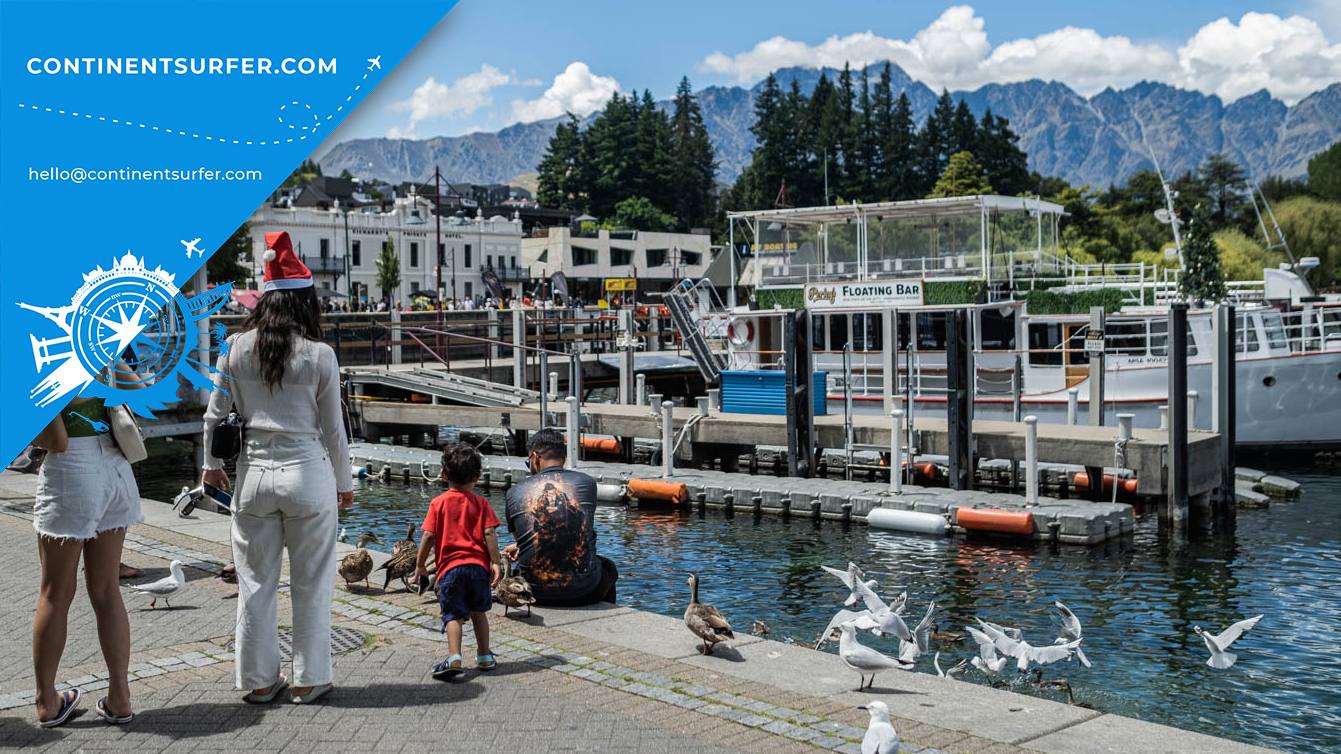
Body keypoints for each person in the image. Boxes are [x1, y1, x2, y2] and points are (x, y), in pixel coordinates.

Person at [202, 231, 353, 706]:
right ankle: (309, 679)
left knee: (255, 584)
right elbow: (334, 431)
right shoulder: (319, 355)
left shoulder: (234, 348)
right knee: (311, 584)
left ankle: (260, 680)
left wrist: (210, 466)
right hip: (308, 474)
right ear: (304, 300)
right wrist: (344, 483)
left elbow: (214, 414)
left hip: (253, 477)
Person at [29, 363, 145, 727]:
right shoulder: (97, 348)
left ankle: (48, 700)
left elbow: (56, 440)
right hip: (115, 468)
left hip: (72, 472)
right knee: (108, 590)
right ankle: (120, 697)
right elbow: (139, 391)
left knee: (55, 593)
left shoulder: (40, 357)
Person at [415, 443, 503, 679]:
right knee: (479, 612)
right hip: (477, 569)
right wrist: (495, 561)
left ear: (443, 475)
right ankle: (484, 656)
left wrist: (420, 565)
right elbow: (489, 533)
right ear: (477, 476)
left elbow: (429, 536)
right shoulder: (482, 503)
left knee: (453, 615)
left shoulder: (438, 503)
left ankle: (454, 657)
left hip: (451, 571)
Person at [503, 429, 617, 606]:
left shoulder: (514, 492)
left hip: (534, 591)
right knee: (608, 567)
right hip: (584, 591)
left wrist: (522, 544)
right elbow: (582, 529)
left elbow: (524, 537)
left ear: (535, 457)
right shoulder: (587, 483)